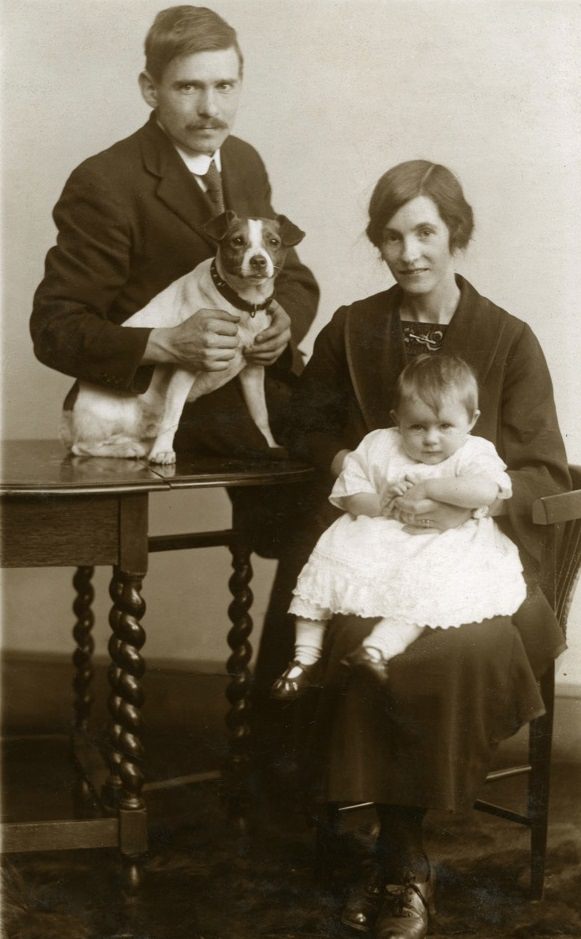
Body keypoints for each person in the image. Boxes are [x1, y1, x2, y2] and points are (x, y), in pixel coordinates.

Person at [257, 160, 570, 938]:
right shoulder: (353, 328)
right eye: (390, 236)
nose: (408, 252)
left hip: (476, 565)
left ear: (453, 233)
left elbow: (540, 467)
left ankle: (402, 858)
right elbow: (306, 425)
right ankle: (347, 822)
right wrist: (357, 468)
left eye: (425, 231)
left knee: (424, 654)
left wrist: (466, 498)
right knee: (346, 625)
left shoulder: (507, 339)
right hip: (374, 549)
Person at [30, 5, 318, 463]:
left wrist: (284, 325)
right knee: (296, 460)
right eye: (188, 87)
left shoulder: (243, 159)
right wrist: (165, 342)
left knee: (349, 434)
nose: (210, 109)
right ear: (151, 89)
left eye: (224, 86)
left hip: (250, 373)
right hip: (158, 395)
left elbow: (295, 280)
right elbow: (54, 328)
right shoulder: (105, 181)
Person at [271, 354, 527, 700]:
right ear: (397, 420)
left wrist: (431, 488)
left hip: (440, 540)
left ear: (471, 419)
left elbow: (486, 490)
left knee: (427, 586)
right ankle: (303, 657)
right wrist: (385, 503)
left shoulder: (474, 452)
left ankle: (376, 648)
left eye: (445, 426)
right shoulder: (379, 444)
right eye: (417, 426)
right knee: (326, 571)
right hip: (380, 533)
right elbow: (351, 495)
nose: (431, 439)